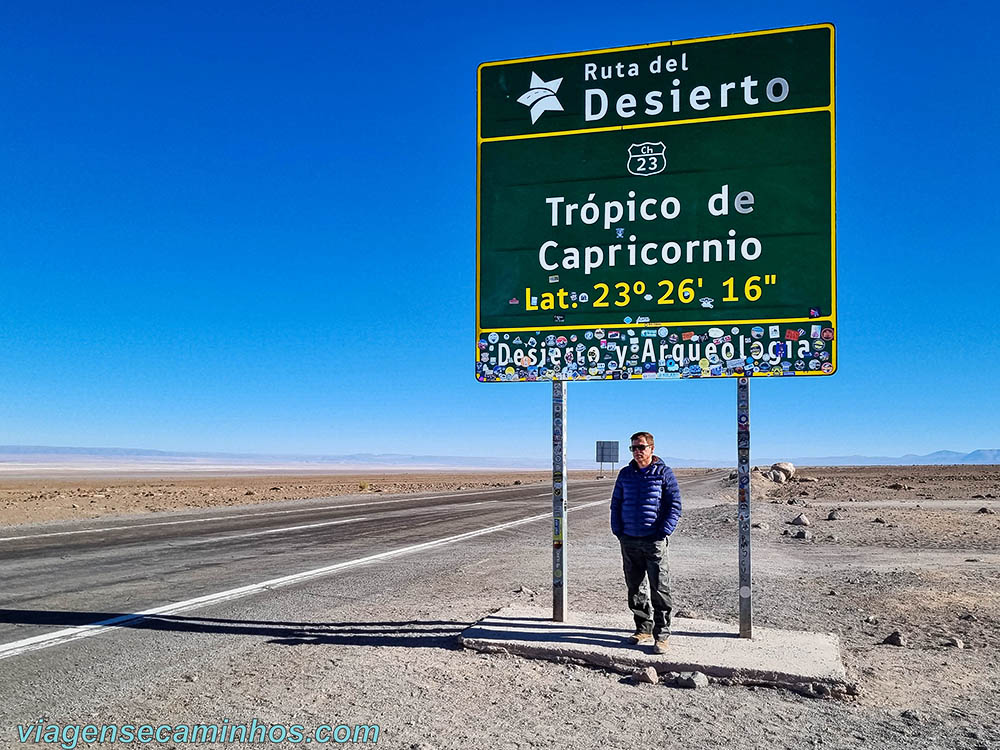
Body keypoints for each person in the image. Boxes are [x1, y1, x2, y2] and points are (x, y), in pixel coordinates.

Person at [610, 431, 682, 654]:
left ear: (652, 448)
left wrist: (664, 531)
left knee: (659, 587)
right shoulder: (625, 474)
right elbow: (616, 503)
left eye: (641, 447)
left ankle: (662, 635)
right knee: (635, 586)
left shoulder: (663, 473)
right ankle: (643, 628)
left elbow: (675, 505)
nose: (637, 451)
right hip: (629, 539)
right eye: (633, 448)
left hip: (654, 540)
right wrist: (618, 530)